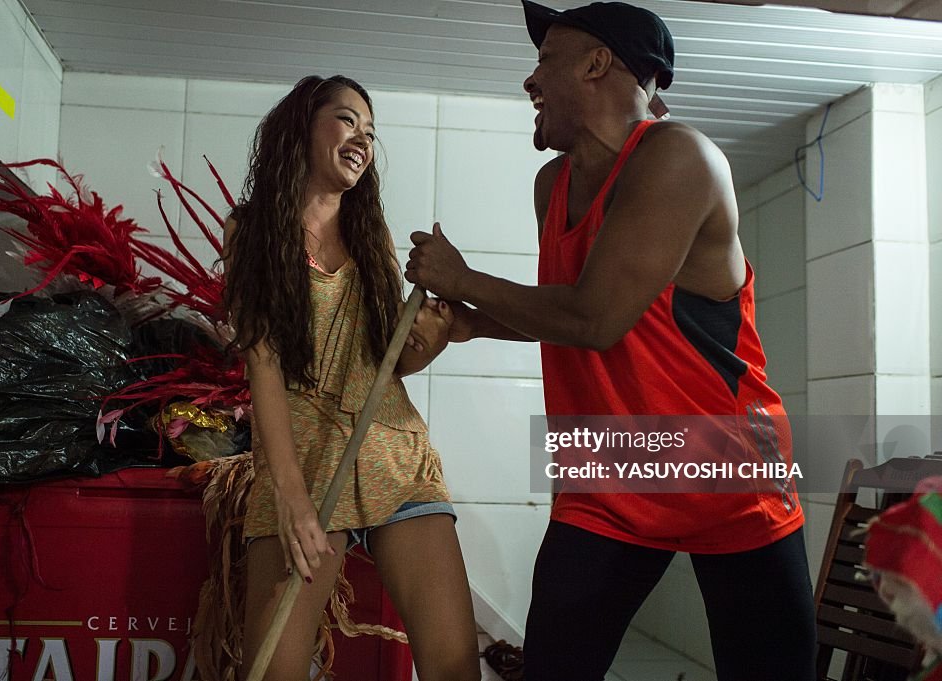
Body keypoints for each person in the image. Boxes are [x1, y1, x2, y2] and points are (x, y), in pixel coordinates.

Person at [404, 2, 817, 680]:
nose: (530, 82)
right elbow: (582, 307)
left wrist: (467, 278)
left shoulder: (680, 156)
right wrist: (476, 320)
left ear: (597, 63)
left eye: (544, 62)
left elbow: (595, 319)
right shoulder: (553, 184)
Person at [223, 75, 480, 681]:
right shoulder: (252, 229)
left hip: (394, 455)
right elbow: (261, 360)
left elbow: (389, 361)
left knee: (454, 670)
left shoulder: (372, 238)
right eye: (346, 121)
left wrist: (432, 340)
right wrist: (287, 495)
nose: (362, 138)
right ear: (302, 130)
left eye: (369, 130)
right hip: (304, 465)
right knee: (274, 672)